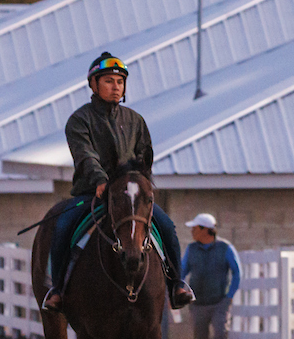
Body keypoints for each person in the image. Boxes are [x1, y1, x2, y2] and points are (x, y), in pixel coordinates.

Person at [42, 51, 194, 312]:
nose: (116, 87)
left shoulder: (135, 120)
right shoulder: (79, 120)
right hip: (93, 192)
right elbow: (84, 155)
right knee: (63, 226)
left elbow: (144, 156)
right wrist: (101, 179)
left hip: (128, 196)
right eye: (109, 81)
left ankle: (177, 285)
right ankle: (58, 289)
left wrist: (137, 182)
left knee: (167, 227)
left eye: (120, 82)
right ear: (94, 85)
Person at [181, 213, 242, 339]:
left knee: (220, 336)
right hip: (197, 303)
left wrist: (229, 296)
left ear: (205, 230)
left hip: (219, 302)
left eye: (195, 228)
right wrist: (177, 288)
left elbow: (237, 272)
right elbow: (182, 270)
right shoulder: (191, 249)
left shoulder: (225, 248)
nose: (192, 231)